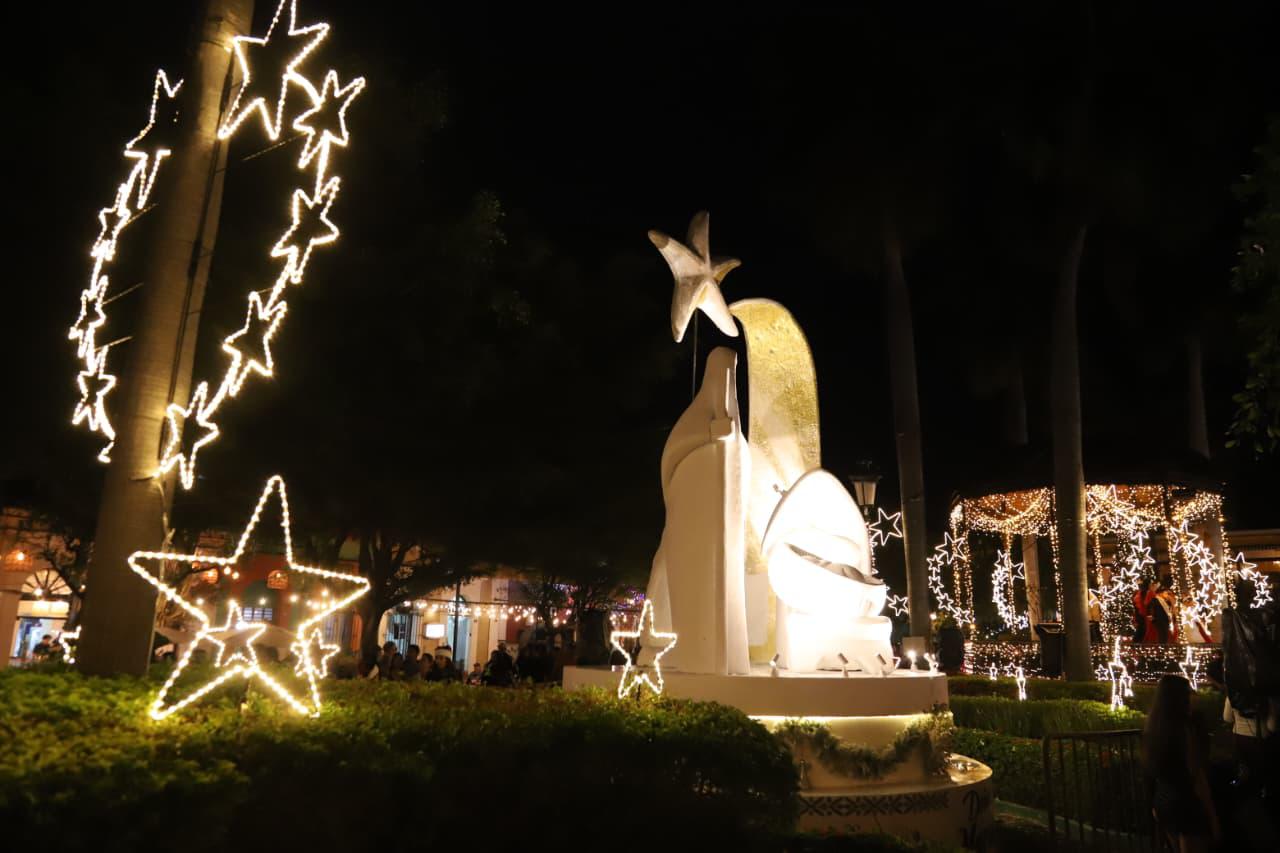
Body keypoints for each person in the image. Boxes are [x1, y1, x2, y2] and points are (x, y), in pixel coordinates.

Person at [1143, 675, 1220, 851]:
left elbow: (1152, 772)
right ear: (1180, 698)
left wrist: (1155, 806)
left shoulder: (1154, 727)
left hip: (1164, 802)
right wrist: (1213, 818)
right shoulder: (1184, 730)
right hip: (1185, 805)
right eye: (1189, 692)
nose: (1195, 696)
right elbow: (1197, 777)